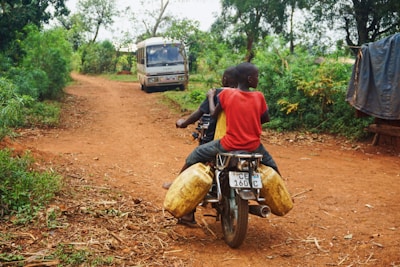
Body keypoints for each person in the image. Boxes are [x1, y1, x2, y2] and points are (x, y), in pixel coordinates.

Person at [176, 62, 279, 225]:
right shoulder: (259, 96)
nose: (258, 79)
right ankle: (275, 197)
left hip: (227, 144)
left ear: (226, 79)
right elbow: (265, 118)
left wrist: (210, 97)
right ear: (250, 79)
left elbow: (211, 114)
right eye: (258, 76)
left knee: (194, 158)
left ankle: (183, 202)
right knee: (272, 167)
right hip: (253, 146)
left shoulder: (222, 94)